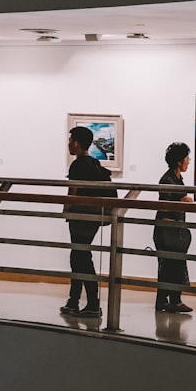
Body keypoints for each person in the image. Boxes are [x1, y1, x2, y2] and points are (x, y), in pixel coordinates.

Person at [60, 125, 115, 319]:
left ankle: (91, 302)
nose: (68, 144)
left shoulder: (77, 165)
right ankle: (74, 301)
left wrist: (65, 210)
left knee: (80, 258)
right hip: (92, 217)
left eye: (70, 140)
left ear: (76, 143)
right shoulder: (94, 164)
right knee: (79, 256)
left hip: (80, 216)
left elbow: (73, 192)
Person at [155, 141, 194, 313]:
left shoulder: (177, 178)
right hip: (167, 230)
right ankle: (166, 301)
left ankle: (172, 300)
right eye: (187, 158)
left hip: (175, 230)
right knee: (169, 265)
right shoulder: (167, 179)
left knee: (174, 265)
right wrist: (180, 201)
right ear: (179, 161)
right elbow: (163, 206)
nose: (189, 161)